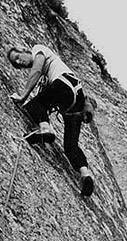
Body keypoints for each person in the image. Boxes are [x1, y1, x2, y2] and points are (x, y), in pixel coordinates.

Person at [7, 44, 94, 197]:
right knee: (71, 146)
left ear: (24, 50)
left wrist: (23, 96)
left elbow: (37, 69)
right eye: (17, 64)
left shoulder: (38, 50)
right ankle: (86, 174)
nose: (19, 62)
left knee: (34, 104)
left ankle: (45, 130)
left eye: (18, 57)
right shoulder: (50, 72)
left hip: (64, 85)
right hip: (76, 98)